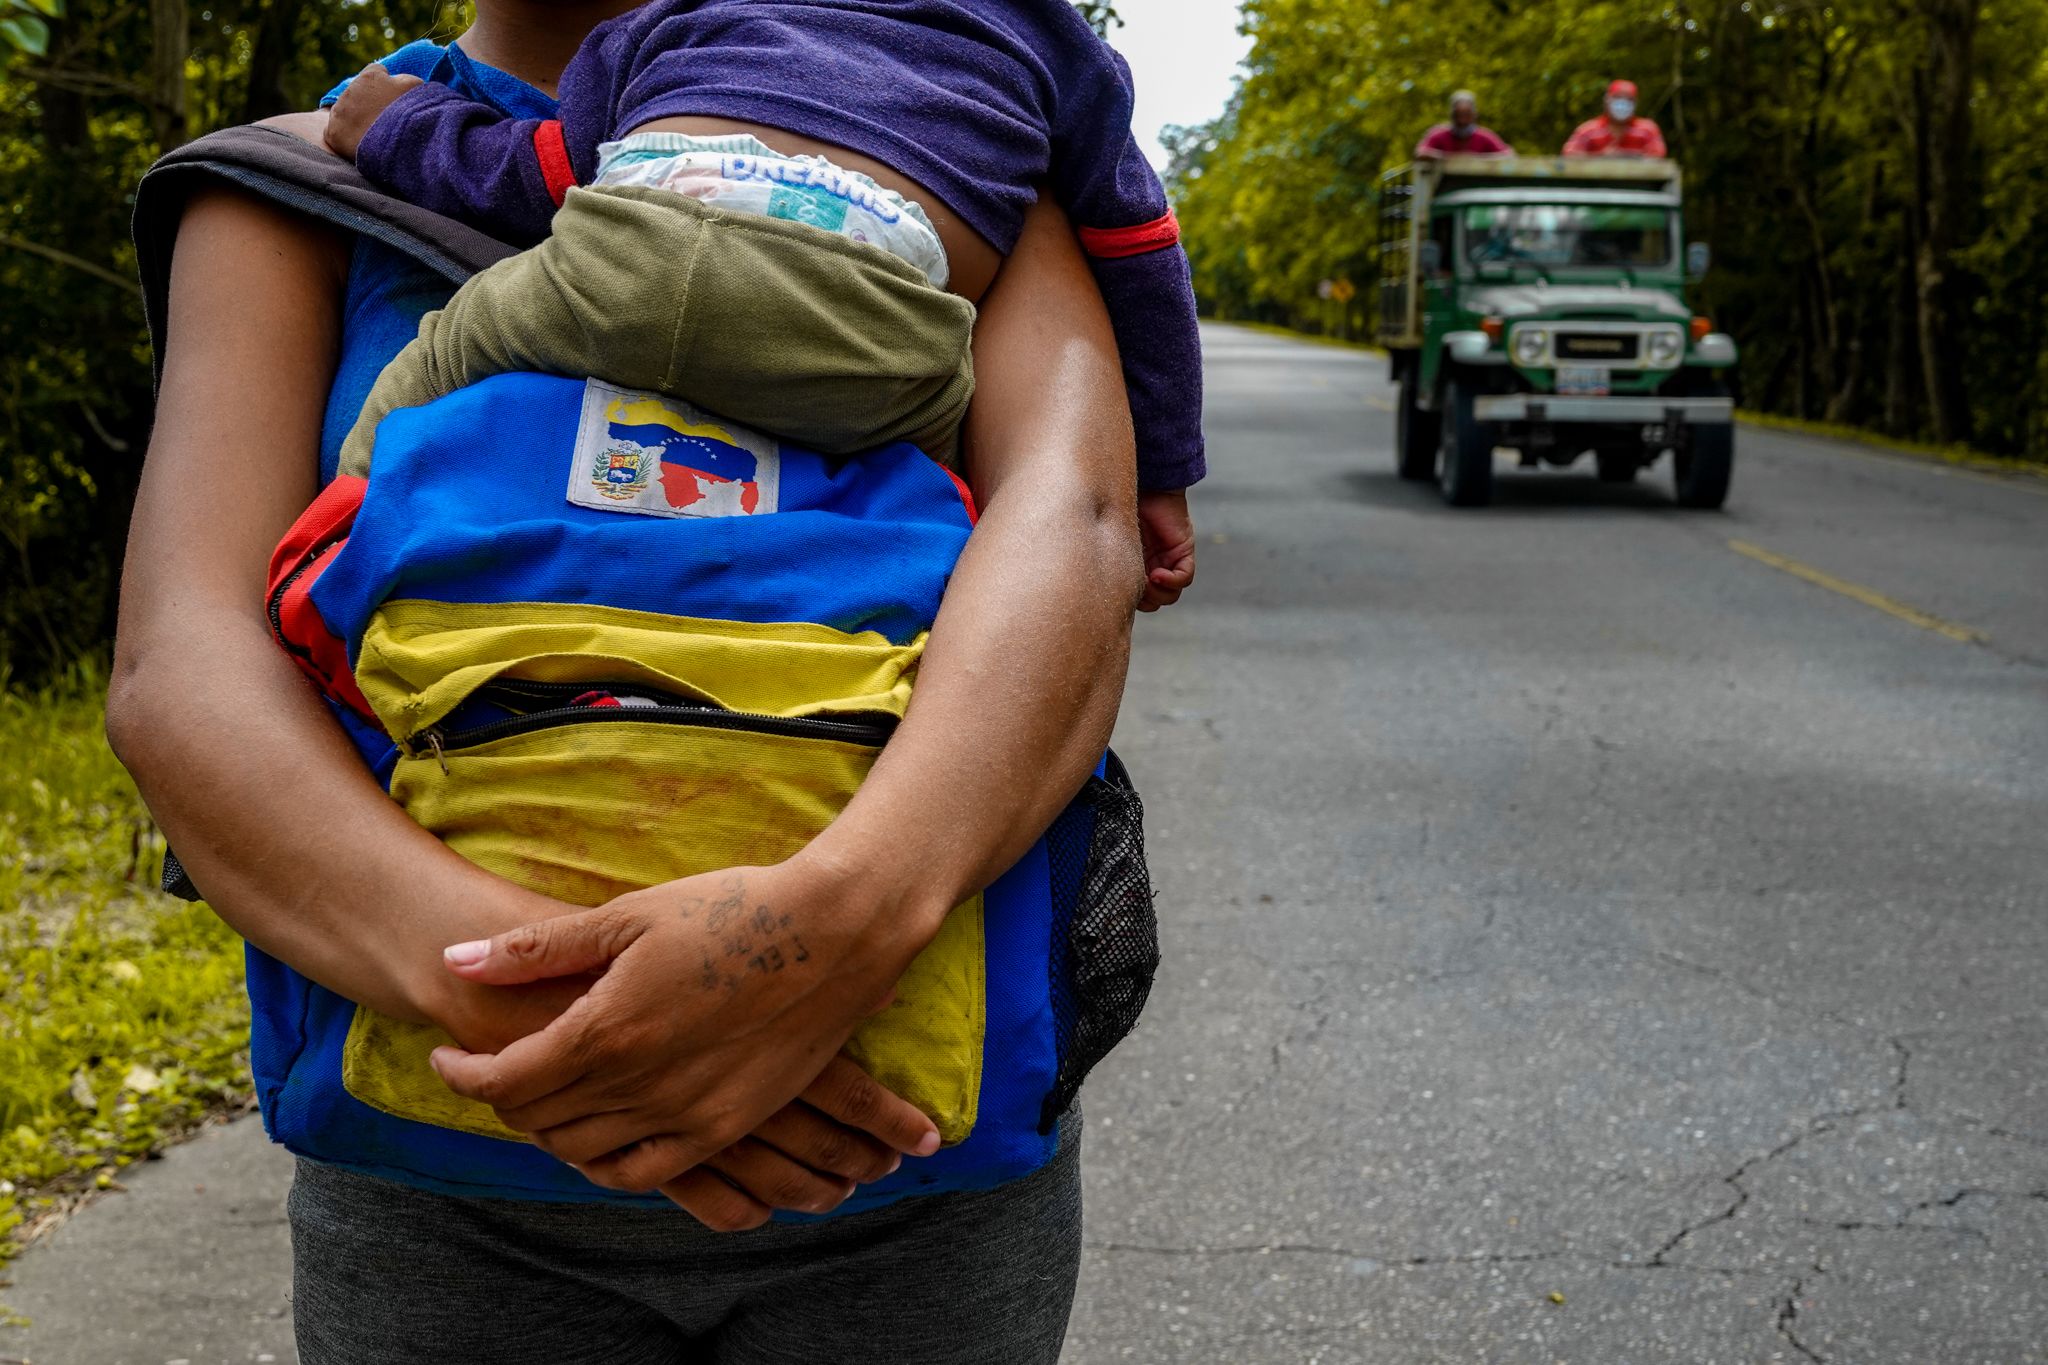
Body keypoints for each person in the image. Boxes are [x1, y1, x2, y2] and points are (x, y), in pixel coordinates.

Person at [107, 2, 1146, 1360]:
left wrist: (843, 915)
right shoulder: (298, 179)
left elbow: (1075, 522)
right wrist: (572, 1024)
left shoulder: (947, 145)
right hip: (451, 1216)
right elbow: (180, 666)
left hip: (912, 1200)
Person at [320, 0, 1202, 608]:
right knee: (940, 494)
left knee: (446, 351)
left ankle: (332, 548)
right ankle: (901, 650)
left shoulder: (678, 18)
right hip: (874, 319)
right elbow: (1139, 251)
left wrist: (398, 127)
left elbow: (541, 174)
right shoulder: (1058, 46)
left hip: (633, 254)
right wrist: (1161, 469)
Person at [1562, 79, 1668, 158]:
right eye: (1617, 97)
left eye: (1628, 99)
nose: (1622, 104)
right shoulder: (1588, 130)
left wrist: (1626, 156)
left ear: (1635, 103)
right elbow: (1569, 153)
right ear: (1607, 100)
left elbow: (1658, 155)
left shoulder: (1648, 130)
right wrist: (1600, 157)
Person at [1415, 89, 1513, 158]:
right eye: (1459, 114)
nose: (1462, 120)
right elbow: (1420, 153)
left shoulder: (1484, 136)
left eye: (1467, 114)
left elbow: (1508, 155)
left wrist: (1479, 159)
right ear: (1452, 115)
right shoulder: (1438, 134)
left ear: (1474, 115)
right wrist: (1447, 158)